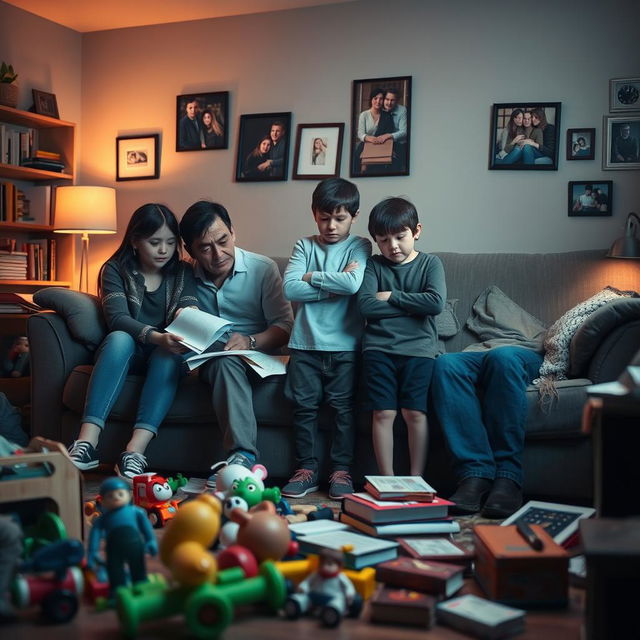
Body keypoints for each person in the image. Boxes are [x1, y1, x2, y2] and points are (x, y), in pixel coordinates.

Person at [67, 203, 197, 481]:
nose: (164, 250)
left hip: (165, 356)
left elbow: (188, 304)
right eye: (154, 242)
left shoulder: (183, 272)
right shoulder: (115, 269)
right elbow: (118, 318)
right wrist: (157, 337)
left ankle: (134, 452)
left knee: (168, 355)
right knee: (119, 339)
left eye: (171, 243)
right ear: (136, 241)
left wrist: (189, 316)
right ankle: (86, 443)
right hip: (126, 352)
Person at [179, 201, 293, 488]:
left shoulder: (262, 269)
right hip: (206, 362)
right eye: (205, 248)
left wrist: (251, 340)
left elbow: (285, 326)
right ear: (190, 251)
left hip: (257, 358)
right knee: (220, 360)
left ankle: (242, 457)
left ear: (233, 232)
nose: (218, 254)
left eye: (223, 241)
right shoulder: (183, 276)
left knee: (227, 360)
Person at [281, 178, 371, 499]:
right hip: (304, 345)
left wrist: (312, 277)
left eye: (340, 218)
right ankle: (306, 469)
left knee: (343, 410)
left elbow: (353, 285)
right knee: (303, 409)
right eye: (324, 218)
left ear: (354, 216)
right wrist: (334, 281)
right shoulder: (304, 246)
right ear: (314, 214)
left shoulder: (360, 245)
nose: (331, 226)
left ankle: (341, 471)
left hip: (346, 346)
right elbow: (290, 288)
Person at [357, 197, 446, 476]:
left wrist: (392, 296)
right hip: (378, 350)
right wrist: (411, 308)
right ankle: (387, 480)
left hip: (419, 351)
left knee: (414, 413)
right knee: (383, 413)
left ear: (416, 231)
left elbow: (435, 304)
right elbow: (366, 305)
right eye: (383, 240)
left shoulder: (431, 264)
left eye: (400, 237)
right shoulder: (373, 265)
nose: (392, 246)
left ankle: (416, 478)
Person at [430, 339, 544, 518]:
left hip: (524, 354)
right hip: (479, 353)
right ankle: (475, 475)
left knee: (501, 357)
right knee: (445, 363)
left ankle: (508, 476)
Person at [87, 477, 157, 594]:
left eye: (120, 494)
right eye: (110, 496)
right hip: (114, 549)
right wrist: (92, 552)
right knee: (115, 570)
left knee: (138, 567)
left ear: (129, 496)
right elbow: (95, 535)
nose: (116, 497)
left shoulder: (136, 512)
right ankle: (117, 591)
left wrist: (151, 541)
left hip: (135, 546)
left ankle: (140, 586)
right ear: (102, 501)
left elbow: (147, 528)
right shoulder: (103, 519)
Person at [352, 87, 395, 174]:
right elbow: (360, 133)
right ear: (371, 99)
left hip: (382, 146)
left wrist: (380, 139)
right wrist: (369, 138)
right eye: (375, 98)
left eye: (381, 99)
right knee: (359, 166)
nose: (378, 101)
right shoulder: (364, 115)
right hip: (365, 145)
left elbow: (389, 132)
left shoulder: (387, 115)